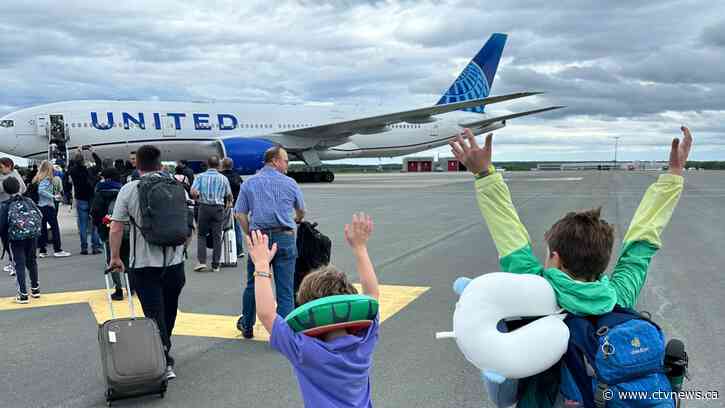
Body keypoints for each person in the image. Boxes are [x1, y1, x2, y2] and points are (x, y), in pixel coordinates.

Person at [449, 127, 693, 407]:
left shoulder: (536, 292)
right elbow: (641, 244)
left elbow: (508, 233)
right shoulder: (619, 296)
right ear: (602, 264)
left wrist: (484, 174)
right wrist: (674, 175)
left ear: (554, 258)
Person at [247, 213, 379, 407]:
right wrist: (360, 248)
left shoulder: (304, 349)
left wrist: (261, 265)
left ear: (309, 309)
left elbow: (267, 313)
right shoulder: (364, 339)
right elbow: (372, 296)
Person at [109, 144, 188, 381]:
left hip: (144, 264)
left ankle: (163, 358)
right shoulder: (178, 187)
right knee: (170, 310)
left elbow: (116, 226)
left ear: (137, 164)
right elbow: (187, 224)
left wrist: (114, 257)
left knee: (154, 314)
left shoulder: (129, 189)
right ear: (160, 164)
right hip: (175, 262)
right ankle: (165, 349)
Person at [235, 145, 305, 338]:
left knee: (254, 283)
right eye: (285, 161)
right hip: (284, 237)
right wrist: (296, 220)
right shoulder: (290, 183)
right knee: (285, 288)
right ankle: (284, 333)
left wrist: (250, 233)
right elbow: (301, 210)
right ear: (275, 161)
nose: (287, 165)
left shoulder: (250, 183)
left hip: (259, 239)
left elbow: (240, 213)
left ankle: (247, 326)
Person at [0, 177, 41, 304]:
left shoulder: (5, 205)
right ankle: (35, 289)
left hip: (15, 238)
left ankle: (23, 294)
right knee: (32, 261)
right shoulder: (29, 200)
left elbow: (2, 225)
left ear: (5, 190)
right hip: (32, 235)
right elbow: (39, 215)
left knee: (19, 264)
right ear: (19, 187)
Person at [91, 167, 127, 301]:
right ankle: (132, 286)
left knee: (112, 258)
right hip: (126, 228)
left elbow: (95, 211)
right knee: (128, 256)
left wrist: (98, 225)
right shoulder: (123, 191)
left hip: (107, 229)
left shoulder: (100, 192)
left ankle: (118, 289)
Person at [191, 155, 232, 273]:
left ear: (207, 165)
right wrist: (228, 203)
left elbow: (193, 192)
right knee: (217, 236)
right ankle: (215, 265)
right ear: (218, 165)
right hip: (218, 208)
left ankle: (202, 262)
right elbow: (228, 195)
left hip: (204, 207)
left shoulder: (200, 177)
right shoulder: (223, 178)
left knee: (202, 235)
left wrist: (197, 196)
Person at [32, 161, 71, 258]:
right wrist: (53, 196)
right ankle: (57, 249)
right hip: (48, 206)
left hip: (40, 206)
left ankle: (42, 250)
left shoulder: (37, 178)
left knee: (43, 229)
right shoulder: (47, 179)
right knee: (54, 228)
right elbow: (41, 191)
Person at [68, 147, 102, 255]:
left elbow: (70, 167)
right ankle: (95, 247)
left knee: (82, 224)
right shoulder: (89, 171)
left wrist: (77, 153)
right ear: (83, 161)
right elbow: (99, 163)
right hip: (91, 198)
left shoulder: (73, 171)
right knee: (94, 224)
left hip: (80, 198)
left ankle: (84, 248)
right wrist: (93, 152)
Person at [0, 158, 26, 276]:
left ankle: (13, 262)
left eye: (1, 167)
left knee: (7, 237)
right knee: (13, 237)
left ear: (9, 166)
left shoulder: (7, 178)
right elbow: (24, 188)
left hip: (6, 210)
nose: (0, 170)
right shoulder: (17, 174)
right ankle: (15, 261)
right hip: (17, 209)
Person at [220, 157, 245, 257]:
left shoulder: (221, 177)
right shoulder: (237, 176)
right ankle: (239, 250)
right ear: (232, 165)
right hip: (235, 206)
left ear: (222, 165)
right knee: (236, 228)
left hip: (222, 205)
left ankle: (222, 250)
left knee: (221, 228)